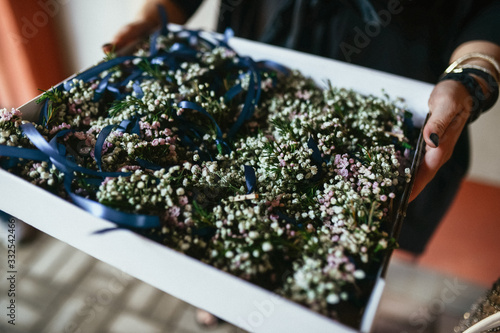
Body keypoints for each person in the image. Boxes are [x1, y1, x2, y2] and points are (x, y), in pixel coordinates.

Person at [106, 0, 500, 327]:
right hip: (263, 56)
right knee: (231, 192)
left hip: (398, 82)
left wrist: (473, 73)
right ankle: (224, 286)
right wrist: (153, 15)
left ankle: (311, 289)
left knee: (359, 220)